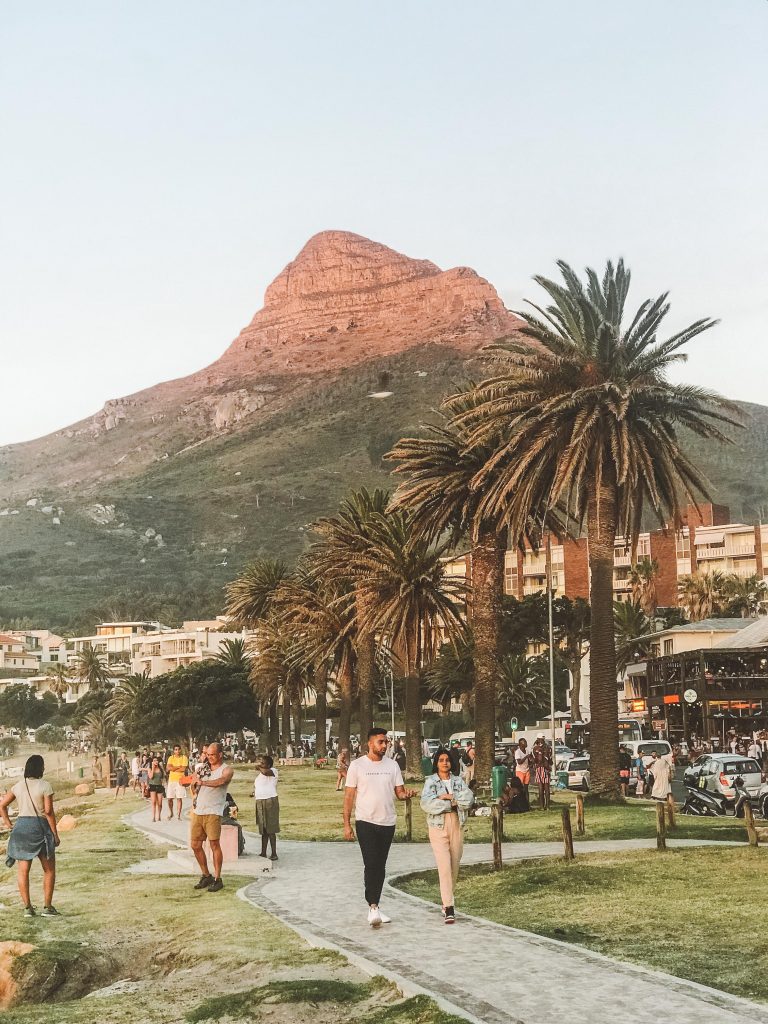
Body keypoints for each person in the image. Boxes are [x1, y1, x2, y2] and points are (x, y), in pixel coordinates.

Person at [343, 727, 417, 927]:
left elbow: (399, 792)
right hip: (365, 821)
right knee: (371, 863)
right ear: (370, 743)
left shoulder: (392, 766)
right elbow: (349, 796)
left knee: (381, 865)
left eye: (386, 742)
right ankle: (372, 906)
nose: (384, 745)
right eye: (381, 742)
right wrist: (346, 824)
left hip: (387, 822)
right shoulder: (357, 766)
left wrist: (406, 795)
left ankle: (376, 905)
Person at [0, 754, 61, 917]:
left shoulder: (18, 786)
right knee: (48, 870)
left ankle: (28, 908)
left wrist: (9, 824)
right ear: (40, 768)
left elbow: (2, 805)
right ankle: (47, 907)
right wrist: (55, 833)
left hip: (21, 828)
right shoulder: (45, 786)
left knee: (23, 871)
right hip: (40, 828)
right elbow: (48, 811)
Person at [420, 748, 474, 923]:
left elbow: (468, 800)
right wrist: (450, 805)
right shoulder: (431, 782)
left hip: (456, 825)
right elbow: (427, 804)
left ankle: (446, 900)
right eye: (441, 760)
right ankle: (449, 906)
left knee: (454, 865)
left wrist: (449, 797)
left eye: (447, 760)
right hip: (438, 826)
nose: (445, 763)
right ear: (436, 763)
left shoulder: (458, 781)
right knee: (444, 865)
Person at [189, 741, 233, 893]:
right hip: (198, 810)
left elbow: (221, 781)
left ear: (220, 754)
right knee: (195, 845)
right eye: (207, 754)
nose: (209, 757)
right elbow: (193, 783)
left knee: (214, 844)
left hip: (213, 811)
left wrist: (202, 781)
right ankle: (206, 874)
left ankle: (218, 878)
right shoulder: (202, 768)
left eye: (212, 754)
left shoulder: (226, 769)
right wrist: (192, 784)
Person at [254, 754, 280, 861]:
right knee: (263, 829)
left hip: (270, 801)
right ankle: (263, 852)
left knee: (271, 828)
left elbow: (265, 771)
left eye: (263, 763)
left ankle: (274, 853)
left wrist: (259, 766)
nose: (261, 764)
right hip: (260, 801)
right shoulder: (260, 775)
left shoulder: (273, 771)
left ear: (269, 764)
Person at [165, 744, 189, 821]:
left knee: (179, 798)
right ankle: (171, 812)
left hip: (180, 780)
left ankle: (178, 815)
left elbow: (183, 769)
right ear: (173, 750)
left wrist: (173, 768)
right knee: (169, 798)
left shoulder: (184, 757)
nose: (177, 751)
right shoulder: (171, 758)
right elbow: (168, 768)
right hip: (171, 780)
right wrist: (178, 767)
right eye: (175, 749)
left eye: (178, 749)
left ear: (180, 750)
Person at [532, 735, 553, 809]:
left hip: (540, 768)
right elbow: (550, 760)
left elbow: (536, 760)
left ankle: (542, 806)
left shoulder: (535, 748)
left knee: (541, 788)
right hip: (545, 768)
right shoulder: (548, 747)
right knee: (546, 788)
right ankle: (547, 806)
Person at [147, 757, 166, 822]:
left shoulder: (160, 768)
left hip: (159, 786)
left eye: (157, 760)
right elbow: (151, 776)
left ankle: (159, 816)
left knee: (160, 803)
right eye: (154, 760)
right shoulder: (150, 769)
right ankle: (153, 817)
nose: (156, 762)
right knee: (153, 802)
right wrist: (152, 768)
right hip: (152, 786)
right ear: (152, 762)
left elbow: (163, 778)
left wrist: (164, 785)